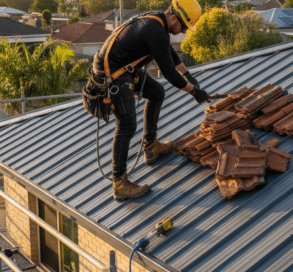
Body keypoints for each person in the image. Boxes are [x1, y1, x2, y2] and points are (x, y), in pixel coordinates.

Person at [87, 0, 210, 201]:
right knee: (126, 126)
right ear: (173, 18)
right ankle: (119, 183)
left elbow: (167, 51)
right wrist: (194, 92)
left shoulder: (158, 23)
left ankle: (150, 147)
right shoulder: (155, 30)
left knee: (157, 92)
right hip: (112, 75)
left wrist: (188, 75)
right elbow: (169, 72)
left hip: (123, 68)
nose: (183, 32)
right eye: (183, 26)